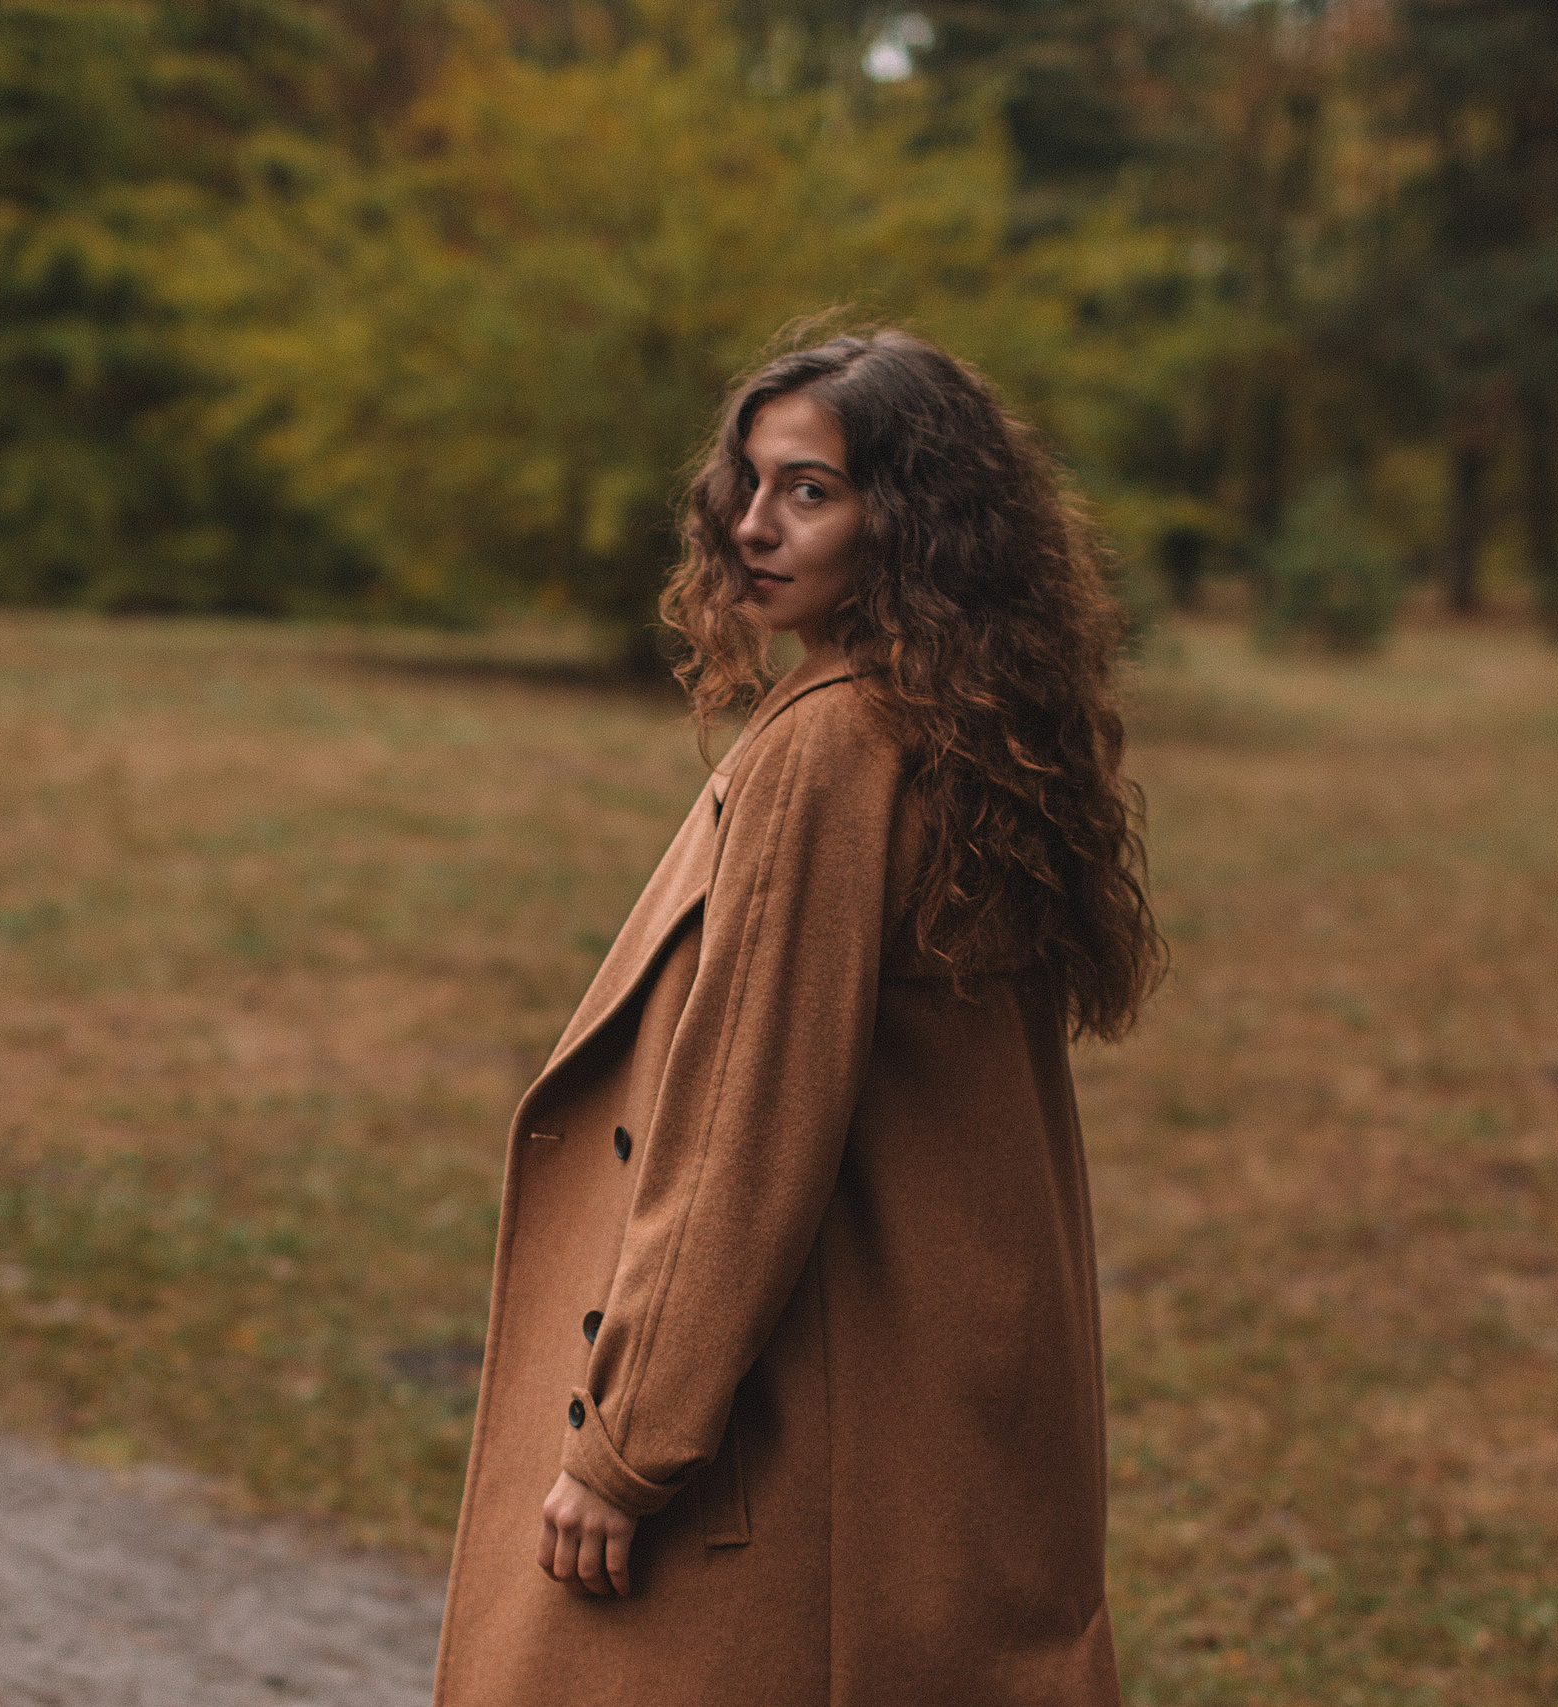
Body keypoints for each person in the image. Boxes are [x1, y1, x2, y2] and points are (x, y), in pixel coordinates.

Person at [430, 325, 1165, 1707]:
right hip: (956, 1407)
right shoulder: (968, 722)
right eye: (750, 486)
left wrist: (624, 1444)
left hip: (816, 1423)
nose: (753, 527)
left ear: (916, 522)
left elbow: (744, 1129)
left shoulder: (834, 746)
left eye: (810, 491)